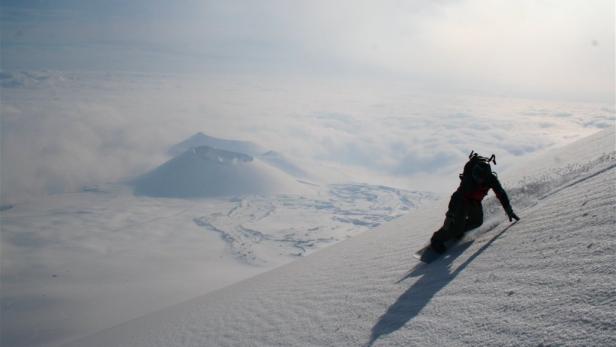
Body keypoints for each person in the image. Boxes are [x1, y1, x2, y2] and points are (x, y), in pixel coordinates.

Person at [430, 151, 519, 254]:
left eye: (479, 178)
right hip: (462, 200)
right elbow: (456, 197)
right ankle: (436, 239)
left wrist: (509, 210)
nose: (477, 180)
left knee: (477, 222)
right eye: (475, 177)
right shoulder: (469, 181)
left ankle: (457, 231)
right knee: (457, 226)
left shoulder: (491, 180)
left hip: (475, 201)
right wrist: (449, 216)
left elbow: (501, 194)